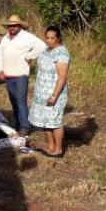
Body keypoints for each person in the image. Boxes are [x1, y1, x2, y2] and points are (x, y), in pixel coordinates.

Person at [0, 14, 46, 136]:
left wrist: (29, 56)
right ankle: (18, 124)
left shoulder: (27, 37)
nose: (12, 27)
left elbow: (42, 46)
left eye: (15, 25)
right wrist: (0, 70)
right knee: (14, 101)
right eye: (10, 25)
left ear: (20, 26)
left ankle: (25, 127)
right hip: (8, 75)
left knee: (20, 101)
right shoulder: (5, 38)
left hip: (21, 74)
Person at [28, 25, 70, 157]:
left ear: (58, 38)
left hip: (55, 94)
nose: (49, 40)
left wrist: (54, 96)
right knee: (45, 120)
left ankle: (58, 149)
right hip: (42, 93)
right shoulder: (46, 50)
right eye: (47, 38)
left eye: (52, 38)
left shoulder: (61, 53)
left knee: (55, 121)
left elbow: (62, 77)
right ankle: (51, 146)